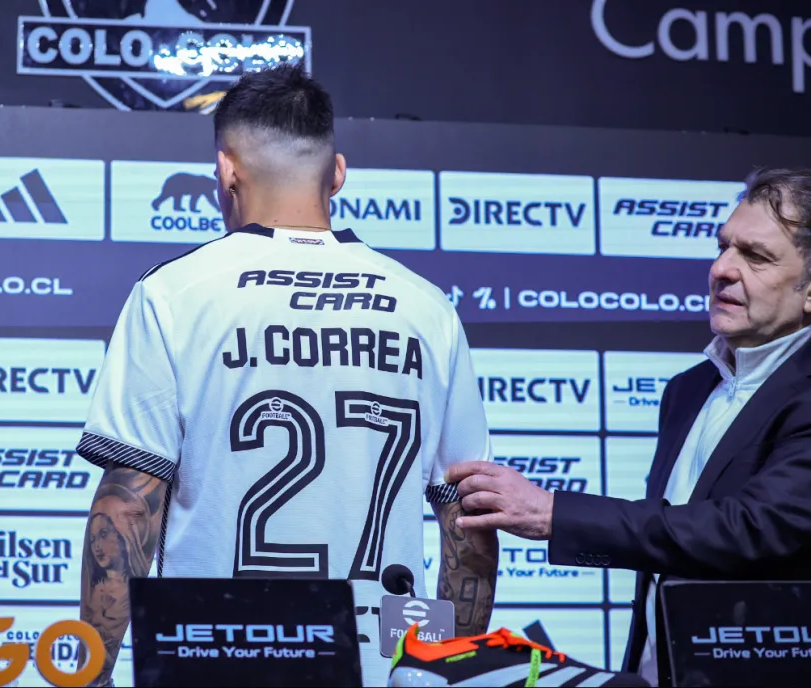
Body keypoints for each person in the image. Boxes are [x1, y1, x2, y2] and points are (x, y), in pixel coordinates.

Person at [76, 63, 498, 686]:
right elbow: (469, 523)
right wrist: (440, 674)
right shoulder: (428, 307)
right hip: (378, 661)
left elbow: (127, 508)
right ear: (338, 174)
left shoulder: (173, 293)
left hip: (211, 655)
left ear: (225, 170)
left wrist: (92, 674)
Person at [447, 168, 811, 685]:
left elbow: (748, 528)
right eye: (723, 246)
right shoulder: (688, 390)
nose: (723, 269)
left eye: (755, 256)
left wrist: (555, 513)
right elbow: (669, 552)